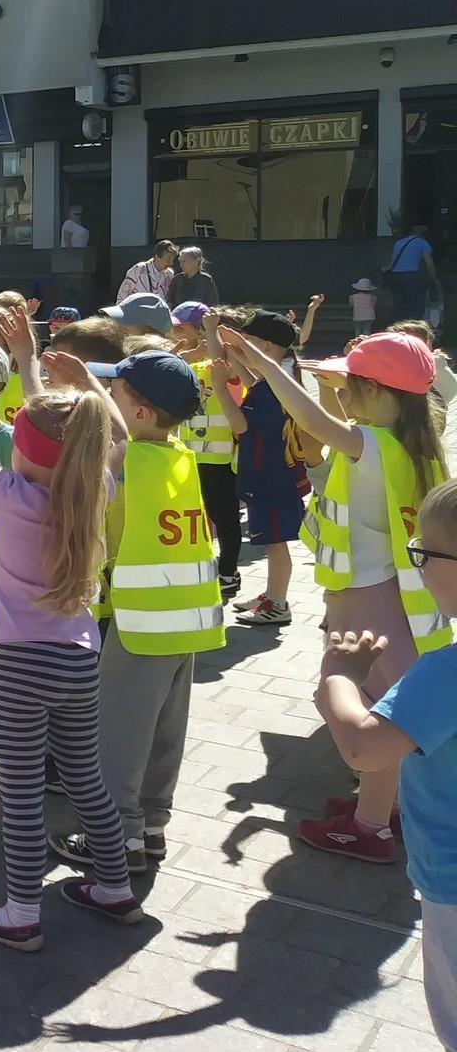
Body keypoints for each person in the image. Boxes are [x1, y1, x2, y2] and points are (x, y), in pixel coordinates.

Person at [0, 314, 144, 950]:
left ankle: (21, 913)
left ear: (24, 448)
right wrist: (83, 385)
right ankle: (115, 889)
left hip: (19, 667)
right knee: (86, 779)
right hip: (80, 660)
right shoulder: (93, 489)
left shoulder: (6, 493)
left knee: (23, 794)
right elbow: (114, 437)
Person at [219, 327, 449, 863]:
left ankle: (369, 828)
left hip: (367, 600)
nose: (344, 395)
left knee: (370, 711)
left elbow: (313, 420)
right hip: (389, 596)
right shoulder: (414, 445)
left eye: (350, 386)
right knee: (384, 704)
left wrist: (266, 365)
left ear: (375, 390)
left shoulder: (372, 444)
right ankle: (386, 808)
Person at [48, 349, 217, 880]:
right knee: (164, 732)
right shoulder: (179, 453)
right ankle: (151, 826)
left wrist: (77, 385)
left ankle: (117, 841)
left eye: (115, 394)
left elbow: (109, 447)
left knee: (118, 736)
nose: (106, 400)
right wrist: (95, 385)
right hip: (186, 621)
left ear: (140, 413)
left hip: (139, 625)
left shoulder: (128, 462)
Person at [311, 476, 457, 1052]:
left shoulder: (446, 673)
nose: (419, 569)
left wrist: (338, 678)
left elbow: (362, 748)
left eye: (426, 554)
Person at [212, 311, 312, 627]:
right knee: (273, 541)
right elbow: (248, 379)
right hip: (277, 476)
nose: (243, 347)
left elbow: (240, 424)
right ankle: (271, 594)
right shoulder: (277, 379)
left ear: (266, 347)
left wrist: (219, 388)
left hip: (271, 479)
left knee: (276, 543)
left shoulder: (270, 389)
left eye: (249, 341)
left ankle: (278, 603)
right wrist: (227, 345)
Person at [173, 302, 245, 600]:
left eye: (181, 327)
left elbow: (218, 359)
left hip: (221, 458)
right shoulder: (192, 365)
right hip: (192, 455)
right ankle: (205, 565)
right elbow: (166, 368)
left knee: (225, 516)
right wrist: (185, 354)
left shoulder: (226, 369)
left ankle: (228, 572)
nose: (174, 332)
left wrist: (213, 332)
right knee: (202, 516)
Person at [387, 225, 438, 323]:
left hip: (394, 276)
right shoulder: (423, 243)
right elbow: (429, 263)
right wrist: (434, 279)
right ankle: (415, 326)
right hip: (411, 276)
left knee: (399, 305)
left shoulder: (398, 242)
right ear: (424, 235)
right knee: (416, 304)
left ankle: (399, 327)